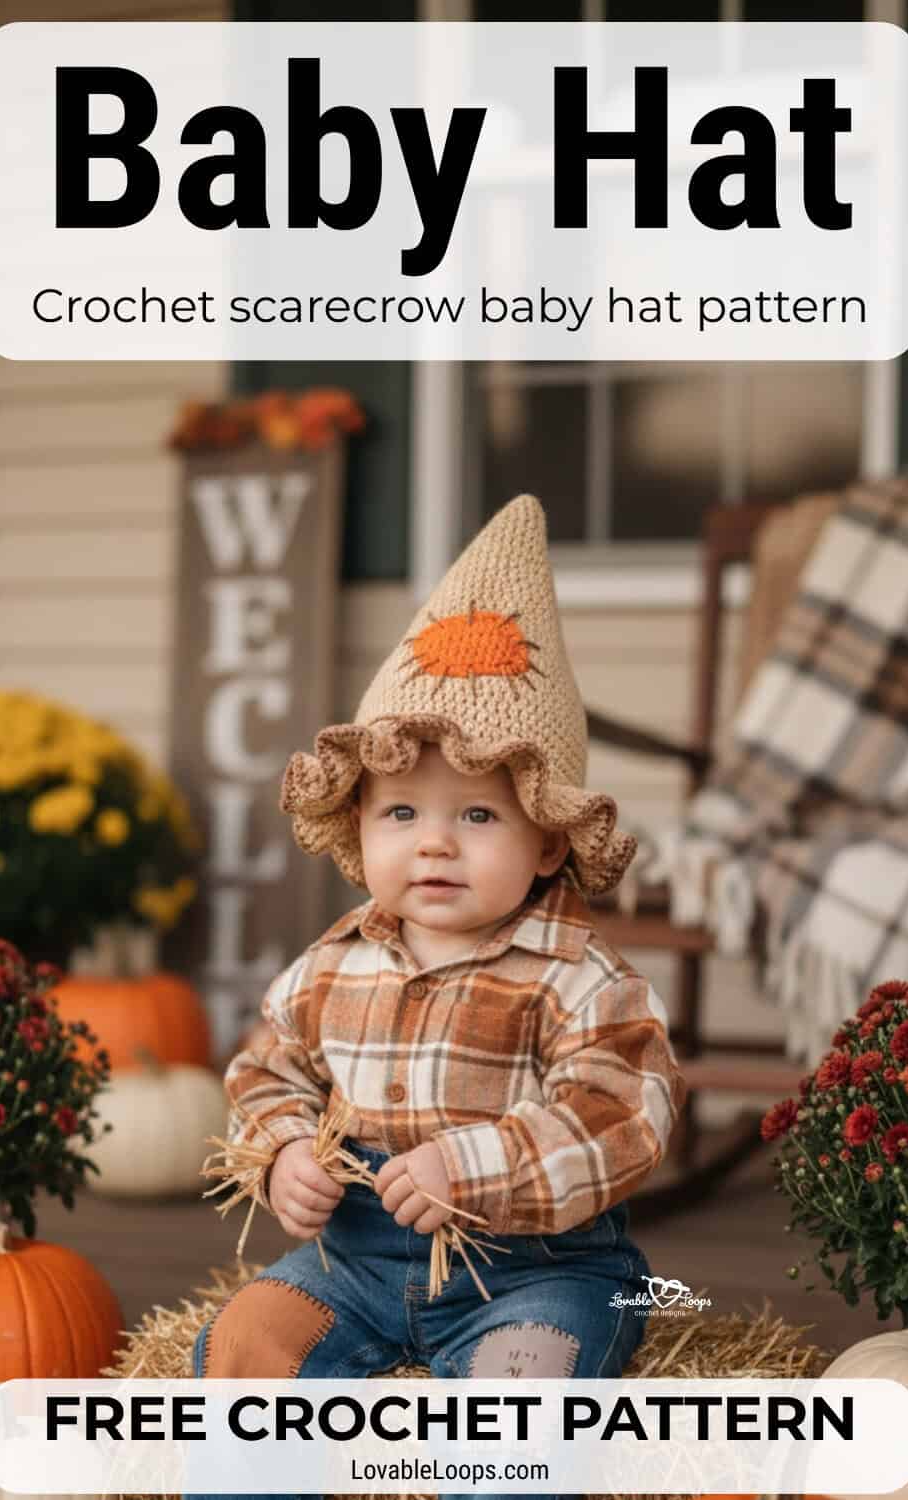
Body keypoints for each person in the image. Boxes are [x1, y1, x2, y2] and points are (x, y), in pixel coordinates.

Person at [186, 494, 686, 1500]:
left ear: (548, 838)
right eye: (402, 810)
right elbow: (262, 1066)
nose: (435, 842)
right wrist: (284, 1147)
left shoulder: (578, 976)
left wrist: (479, 1161)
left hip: (535, 1270)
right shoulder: (333, 963)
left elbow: (625, 1112)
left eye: (477, 815)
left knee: (524, 1396)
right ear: (359, 823)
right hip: (355, 1268)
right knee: (243, 1351)